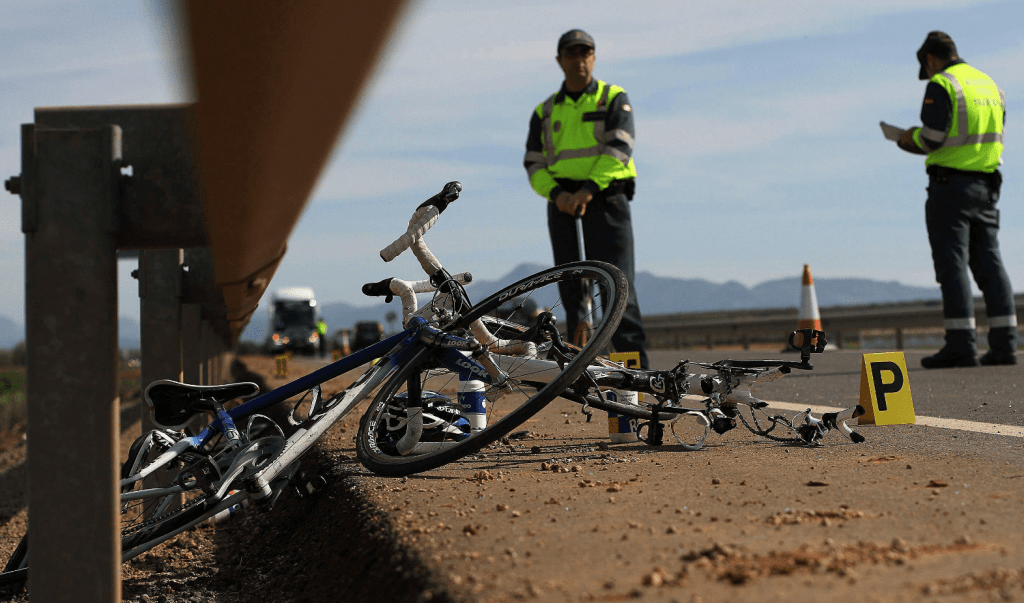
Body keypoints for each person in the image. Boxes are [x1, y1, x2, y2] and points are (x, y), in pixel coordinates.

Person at [523, 29, 649, 368]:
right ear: (559, 61)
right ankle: (582, 372)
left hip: (606, 198)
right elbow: (533, 163)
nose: (580, 59)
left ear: (593, 57)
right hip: (562, 200)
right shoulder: (545, 112)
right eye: (572, 53)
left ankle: (636, 381)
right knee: (570, 289)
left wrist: (586, 191)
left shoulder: (613, 97)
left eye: (586, 52)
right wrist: (558, 194)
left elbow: (620, 148)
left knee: (617, 289)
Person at [895, 31, 1017, 368]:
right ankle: (1005, 345)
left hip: (951, 186)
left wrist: (907, 139)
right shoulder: (988, 85)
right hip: (988, 184)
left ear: (931, 59)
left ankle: (962, 345)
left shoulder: (943, 83)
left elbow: (933, 138)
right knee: (990, 263)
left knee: (953, 264)